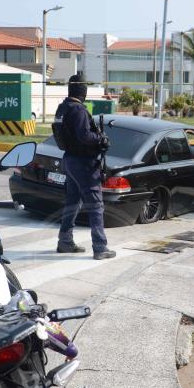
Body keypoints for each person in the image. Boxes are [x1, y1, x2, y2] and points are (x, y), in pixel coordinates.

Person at [54, 74, 115, 260]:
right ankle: (100, 247)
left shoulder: (62, 108)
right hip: (83, 162)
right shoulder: (78, 110)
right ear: (83, 91)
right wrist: (101, 139)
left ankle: (65, 241)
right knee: (96, 205)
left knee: (73, 202)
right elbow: (84, 137)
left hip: (69, 160)